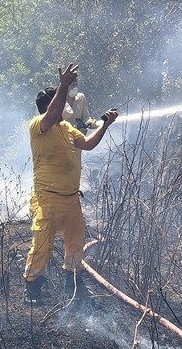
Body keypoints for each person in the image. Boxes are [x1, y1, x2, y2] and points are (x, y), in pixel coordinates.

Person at [23, 63, 119, 304]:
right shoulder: (38, 126)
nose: (67, 105)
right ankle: (32, 288)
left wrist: (105, 125)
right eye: (61, 100)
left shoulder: (66, 128)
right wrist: (64, 85)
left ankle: (72, 281)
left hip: (71, 198)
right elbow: (53, 114)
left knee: (75, 242)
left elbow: (87, 144)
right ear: (49, 106)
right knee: (42, 244)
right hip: (48, 198)